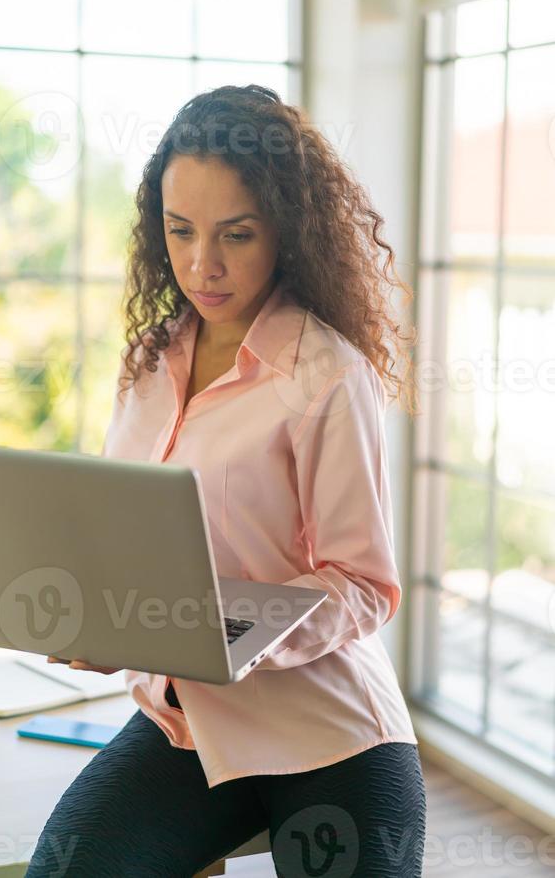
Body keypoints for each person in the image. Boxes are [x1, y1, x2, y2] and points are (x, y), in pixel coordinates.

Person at [25, 84, 427, 877]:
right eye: (180, 232)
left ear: (285, 228)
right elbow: (130, 533)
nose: (202, 265)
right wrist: (108, 621)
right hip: (190, 727)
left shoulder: (324, 375)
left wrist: (235, 632)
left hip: (329, 733)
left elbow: (364, 585)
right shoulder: (150, 361)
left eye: (235, 236)